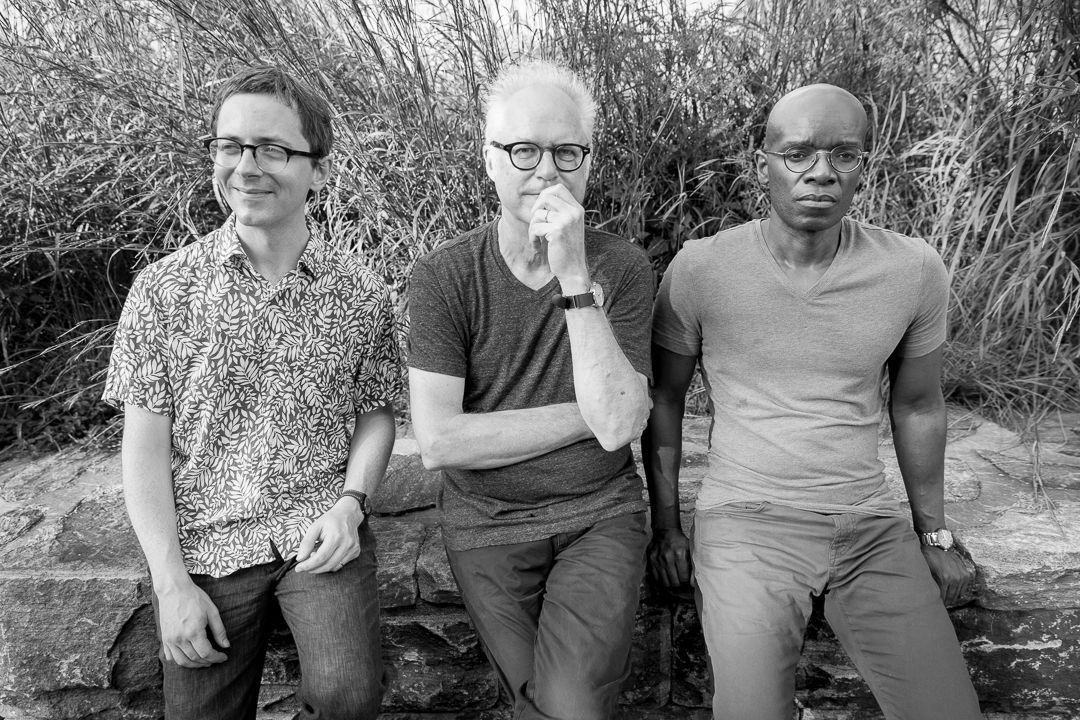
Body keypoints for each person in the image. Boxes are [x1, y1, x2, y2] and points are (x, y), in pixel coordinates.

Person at [644, 83, 982, 720]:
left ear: (863, 167)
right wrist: (666, 528)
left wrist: (933, 532)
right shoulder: (701, 269)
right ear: (763, 165)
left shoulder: (911, 269)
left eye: (843, 154)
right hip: (747, 522)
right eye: (798, 154)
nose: (821, 172)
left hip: (869, 525)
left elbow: (917, 405)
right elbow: (664, 397)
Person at [103, 66, 401, 720]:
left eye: (271, 149)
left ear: (318, 170)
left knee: (348, 697)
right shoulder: (163, 290)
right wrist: (171, 584)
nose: (245, 167)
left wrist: (351, 505)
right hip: (206, 546)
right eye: (231, 146)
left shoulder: (361, 292)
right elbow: (143, 450)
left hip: (316, 532)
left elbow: (377, 413)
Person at [407, 59, 654, 719]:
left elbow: (621, 425)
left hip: (599, 516)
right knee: (540, 705)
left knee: (568, 705)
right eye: (524, 150)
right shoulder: (444, 277)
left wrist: (573, 275)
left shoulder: (621, 268)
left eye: (567, 152)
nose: (547, 171)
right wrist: (588, 414)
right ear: (490, 160)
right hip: (488, 526)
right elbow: (440, 441)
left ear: (587, 164)